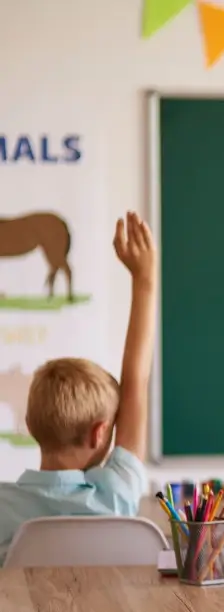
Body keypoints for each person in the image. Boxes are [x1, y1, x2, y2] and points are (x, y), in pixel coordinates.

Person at [0, 212, 156, 562]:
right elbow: (136, 381)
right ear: (101, 432)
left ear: (29, 425)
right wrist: (144, 277)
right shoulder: (115, 496)